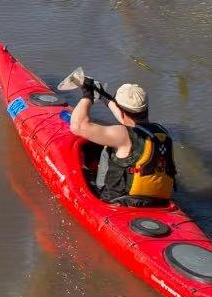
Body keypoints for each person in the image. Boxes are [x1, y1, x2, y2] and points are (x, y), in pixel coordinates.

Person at [67, 78, 176, 207]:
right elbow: (130, 122)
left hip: (119, 200)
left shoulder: (121, 135)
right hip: (158, 201)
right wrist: (104, 97)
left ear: (122, 110)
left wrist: (87, 96)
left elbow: (77, 126)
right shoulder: (162, 132)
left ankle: (99, 190)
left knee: (107, 148)